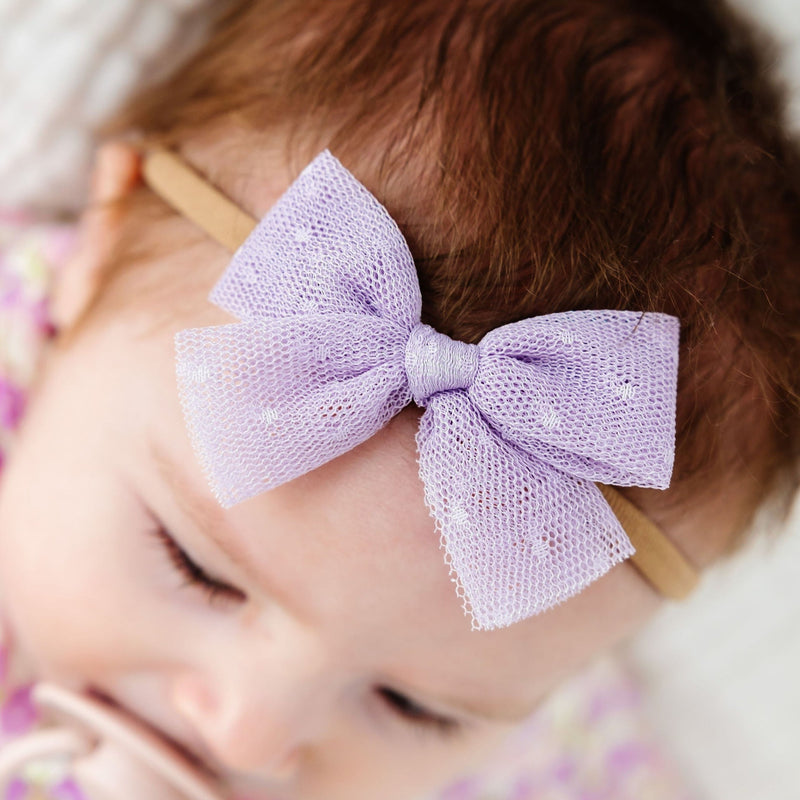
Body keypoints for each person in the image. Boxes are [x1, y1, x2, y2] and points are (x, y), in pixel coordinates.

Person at [0, 0, 798, 799]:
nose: (247, 733)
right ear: (98, 246)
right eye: (197, 570)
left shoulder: (544, 765)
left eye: (414, 708)